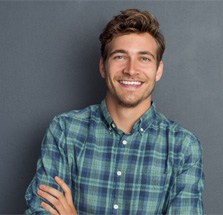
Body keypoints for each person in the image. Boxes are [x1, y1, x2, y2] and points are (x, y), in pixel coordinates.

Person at [25, 8, 204, 215]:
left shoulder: (183, 147)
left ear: (159, 70)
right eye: (120, 57)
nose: (131, 69)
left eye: (144, 58)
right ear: (103, 66)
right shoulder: (65, 131)